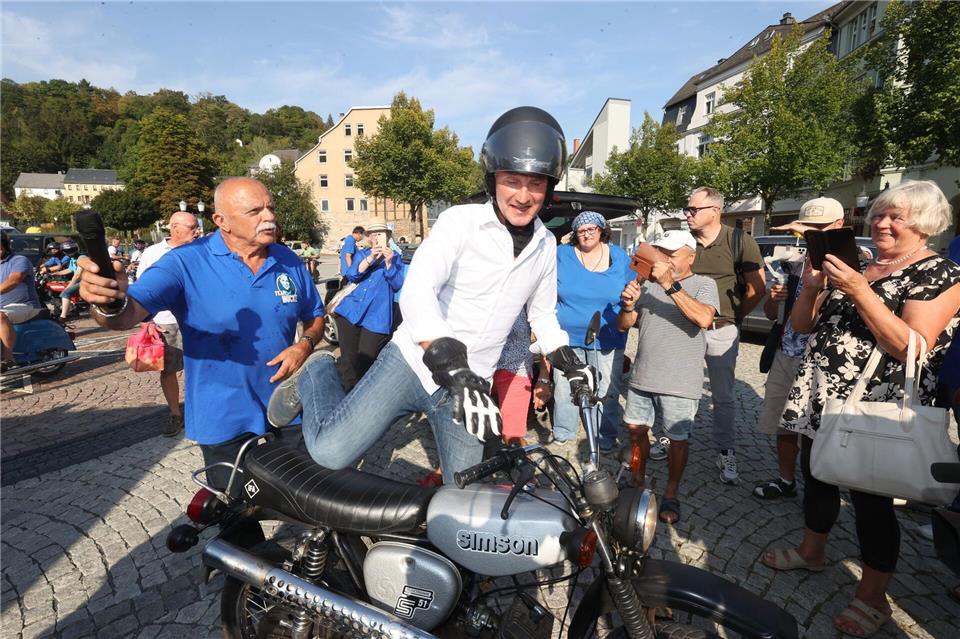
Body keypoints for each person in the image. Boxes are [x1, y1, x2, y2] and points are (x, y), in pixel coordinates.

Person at [269, 106, 595, 485]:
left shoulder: (544, 245)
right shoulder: (460, 222)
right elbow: (418, 289)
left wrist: (568, 360)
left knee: (465, 489)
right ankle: (317, 372)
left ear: (549, 187)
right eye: (512, 181)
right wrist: (446, 358)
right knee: (329, 451)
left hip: (472, 383)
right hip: (412, 362)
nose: (523, 195)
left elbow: (541, 316)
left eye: (535, 183)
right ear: (493, 180)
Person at [762, 180, 960, 638]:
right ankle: (813, 550)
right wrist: (812, 289)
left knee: (871, 499)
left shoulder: (941, 273)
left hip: (878, 404)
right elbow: (800, 325)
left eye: (897, 216)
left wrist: (856, 289)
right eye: (880, 214)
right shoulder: (863, 265)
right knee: (818, 475)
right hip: (822, 395)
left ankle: (872, 597)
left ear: (925, 222)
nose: (883, 222)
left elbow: (909, 345)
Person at [78, 177, 325, 490]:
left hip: (286, 404)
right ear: (221, 221)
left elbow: (316, 315)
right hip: (222, 411)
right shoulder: (185, 262)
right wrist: (107, 302)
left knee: (301, 492)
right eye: (255, 211)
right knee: (236, 511)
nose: (269, 217)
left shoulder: (287, 260)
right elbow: (127, 314)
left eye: (270, 208)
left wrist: (304, 345)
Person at [617, 230, 719, 524]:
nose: (664, 260)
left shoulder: (704, 284)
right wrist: (628, 306)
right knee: (636, 431)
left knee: (677, 439)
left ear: (691, 256)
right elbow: (624, 326)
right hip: (643, 375)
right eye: (661, 253)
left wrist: (669, 284)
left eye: (671, 255)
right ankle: (638, 479)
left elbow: (704, 319)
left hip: (680, 380)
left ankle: (671, 492)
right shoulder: (647, 285)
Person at [753, 197, 847, 500]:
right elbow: (770, 315)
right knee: (785, 423)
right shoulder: (793, 263)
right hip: (787, 352)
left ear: (839, 225)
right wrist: (774, 298)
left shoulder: (854, 264)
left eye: (821, 228)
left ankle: (820, 493)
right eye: (809, 229)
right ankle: (786, 480)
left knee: (818, 431)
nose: (814, 235)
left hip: (826, 361)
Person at [685, 186, 766, 484]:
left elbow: (758, 289)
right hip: (687, 328)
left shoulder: (739, 241)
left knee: (723, 396)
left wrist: (734, 316)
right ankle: (673, 437)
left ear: (715, 211)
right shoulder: (684, 243)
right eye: (687, 209)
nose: (688, 214)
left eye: (694, 210)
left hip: (721, 329)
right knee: (678, 387)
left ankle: (725, 450)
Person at [552, 210, 633, 450]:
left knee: (606, 387)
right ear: (575, 234)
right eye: (581, 230)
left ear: (601, 230)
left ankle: (603, 435)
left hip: (608, 335)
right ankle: (563, 430)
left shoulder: (619, 257)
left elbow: (633, 289)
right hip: (566, 335)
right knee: (565, 385)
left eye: (591, 229)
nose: (586, 234)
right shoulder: (562, 254)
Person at [135, 212, 199, 436]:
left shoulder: (200, 251)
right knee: (169, 370)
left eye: (197, 227)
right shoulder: (153, 253)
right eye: (192, 227)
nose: (197, 231)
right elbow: (142, 290)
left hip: (196, 321)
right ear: (174, 228)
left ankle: (198, 411)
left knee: (200, 368)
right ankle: (175, 414)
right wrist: (148, 321)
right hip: (166, 323)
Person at [333, 222, 405, 391]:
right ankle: (347, 399)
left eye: (379, 233)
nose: (375, 237)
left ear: (387, 236)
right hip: (350, 311)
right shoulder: (363, 254)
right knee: (348, 361)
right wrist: (370, 258)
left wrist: (389, 264)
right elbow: (351, 275)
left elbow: (397, 284)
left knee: (367, 359)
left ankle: (364, 399)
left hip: (376, 316)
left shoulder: (395, 257)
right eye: (372, 234)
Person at [1, 232, 44, 367]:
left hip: (26, 305)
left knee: (0, 317)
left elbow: (15, 279)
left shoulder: (19, 260)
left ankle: (7, 358)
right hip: (6, 308)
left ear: (5, 246)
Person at [57, 241, 83, 323]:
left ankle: (63, 316)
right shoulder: (73, 259)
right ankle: (70, 309)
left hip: (85, 281)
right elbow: (69, 270)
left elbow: (78, 275)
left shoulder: (81, 258)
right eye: (67, 251)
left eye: (71, 250)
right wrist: (54, 273)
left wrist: (69, 286)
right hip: (79, 280)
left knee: (66, 293)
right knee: (65, 291)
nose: (69, 252)